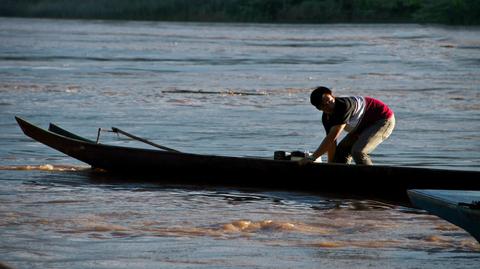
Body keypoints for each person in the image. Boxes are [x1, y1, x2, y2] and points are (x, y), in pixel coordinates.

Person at [301, 86, 395, 165]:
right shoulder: (326, 118)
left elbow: (333, 137)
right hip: (361, 126)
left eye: (330, 101)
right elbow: (331, 143)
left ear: (333, 96)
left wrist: (313, 157)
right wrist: (330, 164)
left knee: (358, 152)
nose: (329, 106)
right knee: (341, 153)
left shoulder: (343, 106)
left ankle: (372, 179)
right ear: (319, 108)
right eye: (324, 105)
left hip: (383, 120)